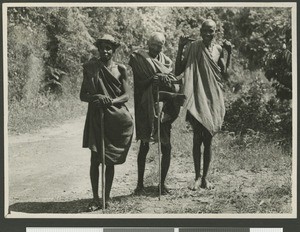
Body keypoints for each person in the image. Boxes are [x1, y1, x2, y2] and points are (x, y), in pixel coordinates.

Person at [175, 19, 232, 190]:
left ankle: (205, 177)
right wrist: (180, 48)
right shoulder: (194, 47)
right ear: (200, 31)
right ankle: (197, 177)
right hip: (197, 96)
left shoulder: (219, 50)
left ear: (216, 32)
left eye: (211, 31)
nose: (208, 34)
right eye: (205, 30)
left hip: (213, 99)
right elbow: (179, 70)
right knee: (196, 138)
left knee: (208, 140)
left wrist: (229, 54)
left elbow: (226, 75)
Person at [80, 34, 134, 210]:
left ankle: (107, 197)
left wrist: (110, 101)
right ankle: (96, 198)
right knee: (95, 158)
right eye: (103, 47)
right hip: (96, 117)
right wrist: (97, 96)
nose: (105, 50)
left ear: (114, 50)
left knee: (109, 159)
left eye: (109, 47)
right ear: (99, 48)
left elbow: (126, 96)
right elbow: (83, 95)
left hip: (115, 118)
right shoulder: (90, 68)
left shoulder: (121, 69)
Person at [129, 32, 185, 195]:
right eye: (154, 44)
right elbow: (139, 83)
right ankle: (139, 185)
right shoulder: (138, 58)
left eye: (160, 45)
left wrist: (167, 80)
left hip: (163, 109)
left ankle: (162, 184)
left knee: (166, 147)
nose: (156, 48)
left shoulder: (166, 61)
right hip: (145, 107)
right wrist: (154, 78)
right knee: (144, 145)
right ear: (148, 43)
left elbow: (172, 81)